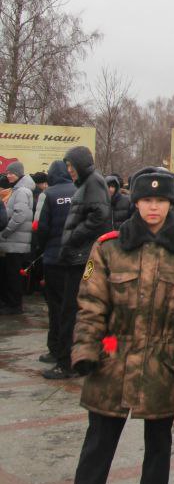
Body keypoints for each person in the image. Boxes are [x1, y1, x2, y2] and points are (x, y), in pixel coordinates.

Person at [58, 168, 174, 484]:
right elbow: (91, 305)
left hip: (164, 362)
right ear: (136, 202)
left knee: (158, 445)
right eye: (146, 200)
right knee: (98, 445)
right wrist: (86, 350)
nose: (153, 207)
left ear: (171, 204)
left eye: (160, 201)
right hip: (112, 359)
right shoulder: (108, 248)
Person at [44, 146, 111, 379]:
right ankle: (68, 359)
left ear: (81, 163)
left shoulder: (93, 182)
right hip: (78, 256)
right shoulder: (87, 183)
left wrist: (74, 236)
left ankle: (67, 363)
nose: (69, 169)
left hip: (82, 257)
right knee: (70, 309)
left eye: (72, 165)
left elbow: (99, 215)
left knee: (71, 310)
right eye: (68, 166)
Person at [31, 160, 76, 363]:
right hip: (76, 259)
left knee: (55, 305)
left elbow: (40, 227)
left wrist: (43, 248)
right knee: (73, 305)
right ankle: (72, 348)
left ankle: (56, 348)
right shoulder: (79, 191)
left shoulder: (48, 194)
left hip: (53, 258)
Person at [0, 160, 34, 315]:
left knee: (13, 275)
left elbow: (20, 215)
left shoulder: (22, 191)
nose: (8, 175)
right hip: (14, 240)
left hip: (15, 241)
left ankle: (14, 305)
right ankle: (11, 303)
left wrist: (5, 231)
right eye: (7, 173)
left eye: (11, 173)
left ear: (19, 174)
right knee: (10, 273)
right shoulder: (17, 189)